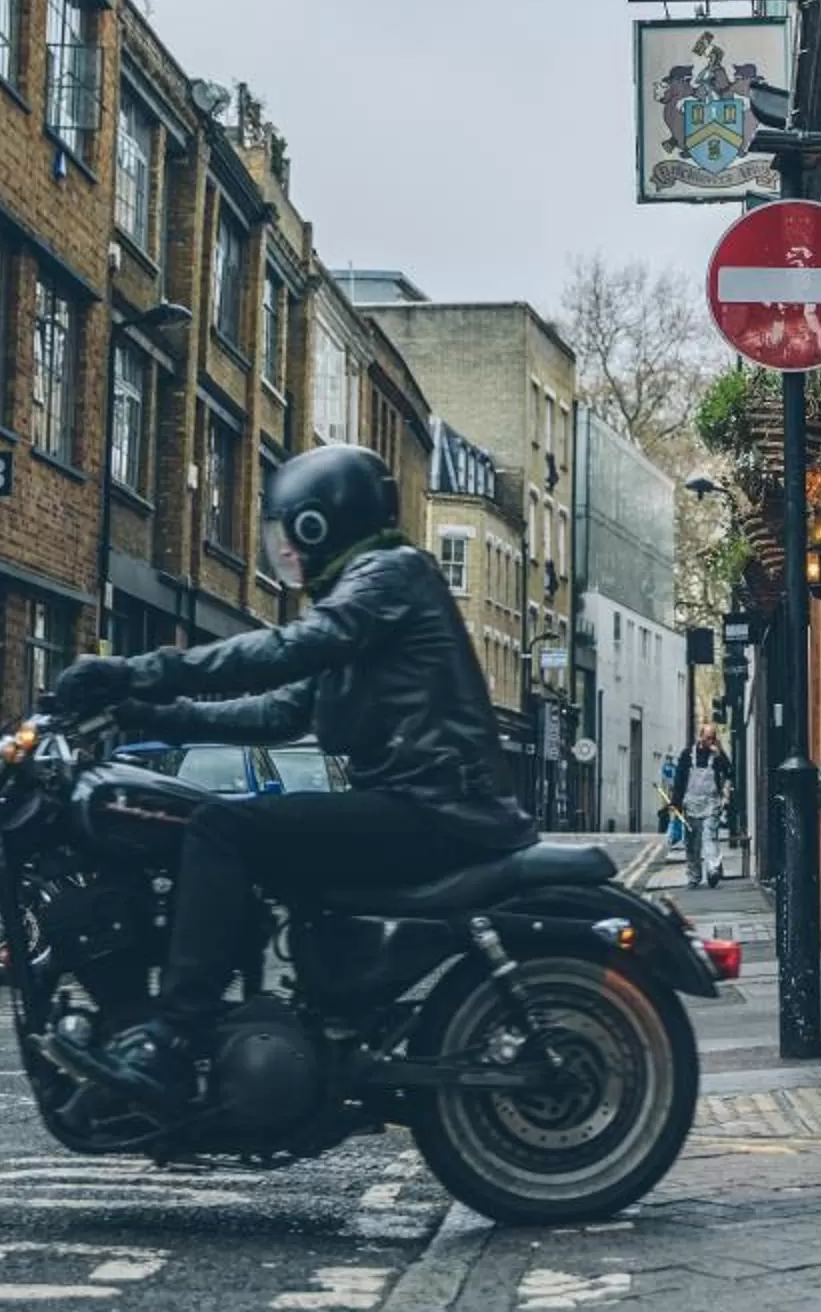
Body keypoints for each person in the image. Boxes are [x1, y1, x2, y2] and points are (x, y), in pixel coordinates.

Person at [44, 444, 536, 1113]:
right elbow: (279, 712)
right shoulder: (366, 603)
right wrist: (148, 714)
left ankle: (172, 1037)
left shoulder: (389, 576)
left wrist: (141, 670)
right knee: (228, 822)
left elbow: (283, 651)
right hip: (421, 803)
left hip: (435, 809)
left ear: (318, 525)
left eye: (289, 536)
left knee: (221, 826)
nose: (286, 555)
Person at [669, 726, 731, 888]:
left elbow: (730, 772)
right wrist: (676, 802)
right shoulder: (687, 754)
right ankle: (694, 877)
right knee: (691, 842)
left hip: (711, 802)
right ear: (700, 736)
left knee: (709, 836)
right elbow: (680, 779)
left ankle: (712, 869)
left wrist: (721, 755)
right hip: (690, 803)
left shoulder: (716, 755)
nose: (710, 741)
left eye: (713, 738)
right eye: (707, 737)